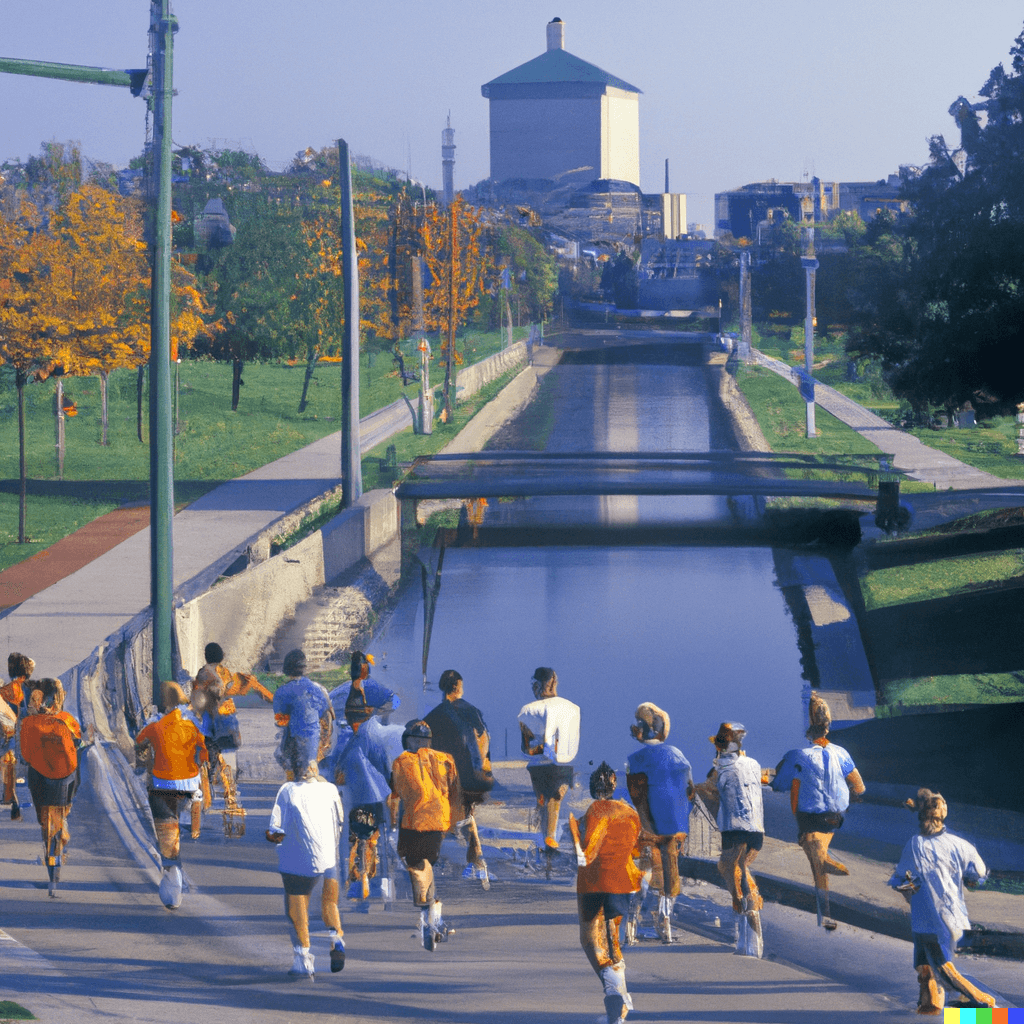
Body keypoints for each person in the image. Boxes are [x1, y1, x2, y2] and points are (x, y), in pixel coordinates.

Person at [888, 789, 995, 1015]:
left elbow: (902, 880)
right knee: (925, 965)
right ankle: (931, 1003)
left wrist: (908, 888)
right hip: (949, 916)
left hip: (929, 920)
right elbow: (979, 873)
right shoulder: (959, 844)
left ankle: (984, 1005)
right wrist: (971, 880)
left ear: (921, 816)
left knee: (944, 969)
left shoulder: (914, 844)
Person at [772, 691, 865, 927]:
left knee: (815, 859)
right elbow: (860, 786)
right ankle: (825, 910)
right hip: (836, 818)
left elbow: (779, 785)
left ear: (808, 729)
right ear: (828, 726)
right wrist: (848, 794)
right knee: (817, 855)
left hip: (811, 819)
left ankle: (825, 912)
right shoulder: (841, 753)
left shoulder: (799, 756)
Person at [568, 761, 641, 1024]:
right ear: (614, 784)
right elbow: (636, 848)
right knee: (613, 941)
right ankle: (619, 1000)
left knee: (591, 942)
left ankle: (614, 991)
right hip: (621, 883)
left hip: (592, 884)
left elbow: (586, 847)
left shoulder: (592, 812)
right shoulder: (629, 812)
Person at [266, 745, 345, 979]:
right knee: (330, 902)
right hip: (330, 858)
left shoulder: (287, 790)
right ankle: (336, 939)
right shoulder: (330, 789)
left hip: (299, 861)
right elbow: (339, 822)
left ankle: (303, 958)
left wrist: (274, 839)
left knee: (296, 904)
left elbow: (275, 829)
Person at [135, 682, 210, 909]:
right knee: (175, 823)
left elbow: (138, 745)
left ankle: (173, 876)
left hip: (163, 787)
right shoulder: (192, 726)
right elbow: (204, 752)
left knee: (167, 832)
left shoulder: (155, 726)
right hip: (190, 790)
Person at [324, 677, 396, 907]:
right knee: (371, 836)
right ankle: (369, 876)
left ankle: (355, 878)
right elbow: (385, 769)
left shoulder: (344, 739)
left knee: (349, 839)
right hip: (374, 803)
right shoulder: (372, 738)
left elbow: (332, 768)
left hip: (349, 802)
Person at [389, 720, 459, 951]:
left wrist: (391, 825)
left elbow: (396, 794)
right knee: (428, 864)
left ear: (407, 740)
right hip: (440, 821)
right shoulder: (446, 759)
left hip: (415, 822)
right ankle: (434, 913)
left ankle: (429, 915)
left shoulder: (401, 762)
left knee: (418, 867)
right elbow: (455, 789)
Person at [625, 702, 692, 943]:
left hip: (649, 829)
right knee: (670, 877)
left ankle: (632, 925)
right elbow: (688, 791)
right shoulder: (678, 755)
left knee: (645, 874)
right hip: (677, 829)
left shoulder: (635, 760)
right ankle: (666, 925)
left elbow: (636, 798)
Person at [424, 669, 494, 887]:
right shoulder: (472, 711)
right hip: (471, 777)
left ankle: (440, 860)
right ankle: (476, 861)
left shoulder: (432, 716)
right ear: (458, 686)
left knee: (449, 814)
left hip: (446, 778)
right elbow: (483, 741)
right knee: (466, 814)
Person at [18, 678, 86, 896]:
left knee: (45, 824)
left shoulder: (28, 724)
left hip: (40, 779)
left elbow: (26, 756)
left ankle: (52, 866)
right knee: (59, 817)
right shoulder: (67, 719)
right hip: (66, 780)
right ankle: (60, 837)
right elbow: (80, 743)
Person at [710, 721, 766, 958]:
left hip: (734, 828)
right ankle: (746, 921)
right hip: (757, 829)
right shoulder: (753, 764)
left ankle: (748, 918)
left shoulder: (721, 767)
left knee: (732, 869)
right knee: (740, 869)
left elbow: (710, 790)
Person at [517, 667, 580, 854]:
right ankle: (550, 838)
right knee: (554, 802)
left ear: (537, 685)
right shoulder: (573, 708)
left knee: (545, 802)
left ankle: (548, 839)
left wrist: (542, 747)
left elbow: (526, 748)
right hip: (565, 766)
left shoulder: (528, 710)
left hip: (539, 767)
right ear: (555, 682)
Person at [273, 649, 333, 779]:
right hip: (314, 740)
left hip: (295, 740)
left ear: (287, 668)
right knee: (311, 775)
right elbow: (324, 711)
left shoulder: (283, 691)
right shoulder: (315, 688)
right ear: (304, 667)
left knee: (288, 765)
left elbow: (279, 717)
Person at [1, 652, 35, 820]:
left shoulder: (9, 689)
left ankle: (11, 800)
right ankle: (11, 801)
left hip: (8, 733)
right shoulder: (20, 688)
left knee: (8, 764)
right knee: (9, 765)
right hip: (13, 733)